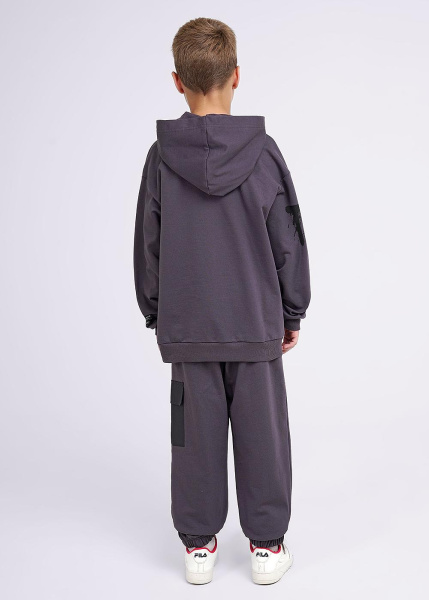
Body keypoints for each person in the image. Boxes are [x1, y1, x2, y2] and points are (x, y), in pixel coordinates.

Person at [133, 17, 311, 585]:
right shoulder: (264, 154)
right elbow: (288, 236)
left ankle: (199, 548)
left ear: (177, 81)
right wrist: (292, 309)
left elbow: (149, 241)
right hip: (255, 323)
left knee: (194, 439)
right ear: (236, 75)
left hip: (189, 325)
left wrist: (156, 309)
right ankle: (266, 547)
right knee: (263, 436)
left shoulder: (162, 158)